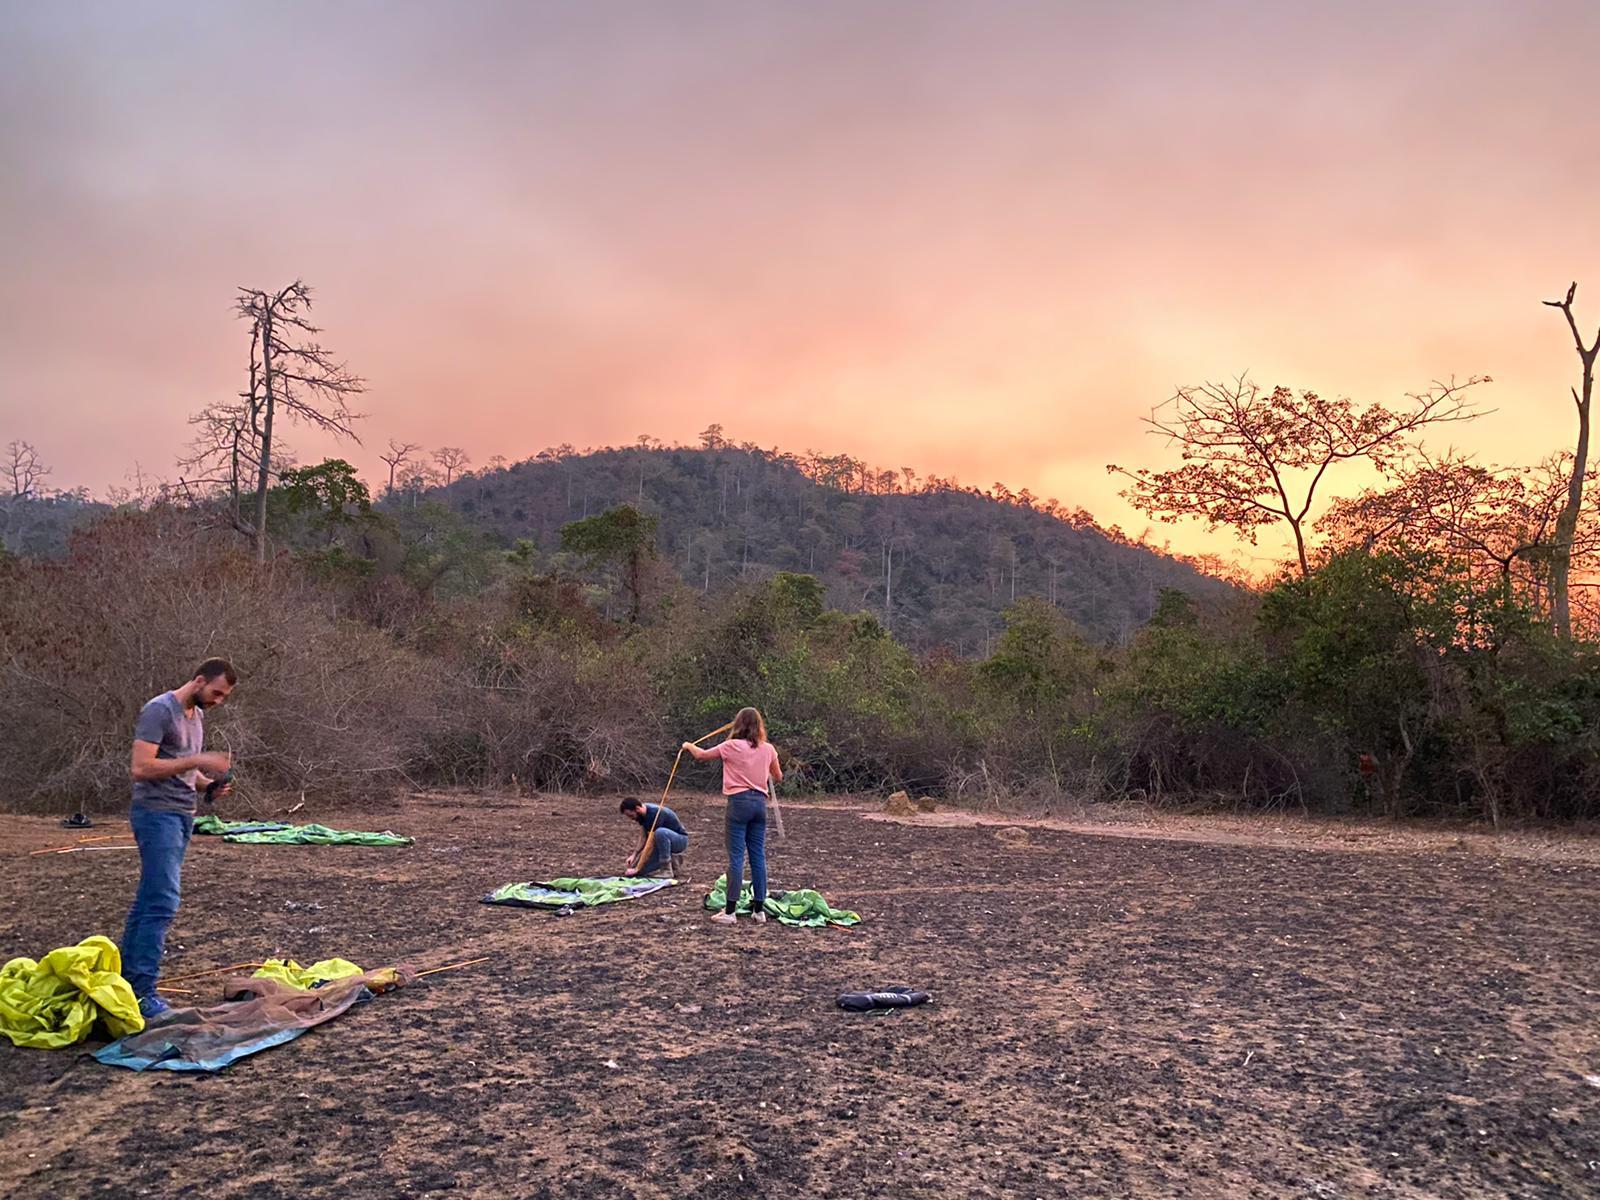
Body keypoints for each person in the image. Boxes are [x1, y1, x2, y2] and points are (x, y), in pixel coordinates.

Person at [120, 658, 238, 1018]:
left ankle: (127, 982)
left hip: (182, 815)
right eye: (215, 692)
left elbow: (183, 770)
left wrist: (208, 785)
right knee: (162, 901)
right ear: (199, 680)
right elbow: (141, 768)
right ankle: (143, 990)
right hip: (156, 816)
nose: (218, 701)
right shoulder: (159, 711)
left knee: (148, 900)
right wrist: (196, 761)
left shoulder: (196, 716)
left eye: (224, 697)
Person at [682, 706, 781, 926]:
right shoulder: (769, 749)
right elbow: (778, 776)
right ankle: (759, 910)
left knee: (736, 857)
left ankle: (730, 911)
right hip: (759, 805)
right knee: (758, 856)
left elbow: (701, 755)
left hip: (738, 803)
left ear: (738, 725)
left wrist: (688, 745)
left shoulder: (731, 746)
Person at [619, 796, 689, 879]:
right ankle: (673, 861)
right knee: (636, 872)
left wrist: (638, 868)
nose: (631, 819)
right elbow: (643, 836)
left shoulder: (656, 814)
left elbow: (650, 844)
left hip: (680, 841)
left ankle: (667, 870)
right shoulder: (642, 814)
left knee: (660, 832)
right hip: (662, 842)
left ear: (637, 809)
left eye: (631, 815)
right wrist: (634, 855)